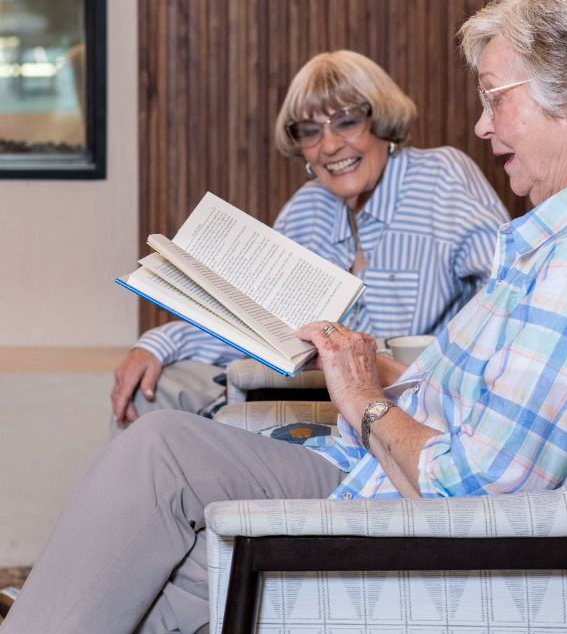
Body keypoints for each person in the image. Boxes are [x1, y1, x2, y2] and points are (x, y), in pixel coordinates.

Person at [0, 0, 567, 634]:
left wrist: (361, 398)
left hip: (411, 521)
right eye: (308, 129)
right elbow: (485, 391)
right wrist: (366, 367)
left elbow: (477, 493)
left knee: (162, 452)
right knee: (159, 510)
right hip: (376, 475)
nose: (482, 124)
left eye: (495, 98)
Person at [110, 49, 509, 433]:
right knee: (153, 385)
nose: (330, 145)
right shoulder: (306, 209)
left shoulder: (441, 177)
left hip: (412, 402)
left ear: (380, 121)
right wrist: (156, 344)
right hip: (312, 393)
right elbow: (253, 319)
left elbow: (506, 291)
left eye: (347, 122)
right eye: (310, 131)